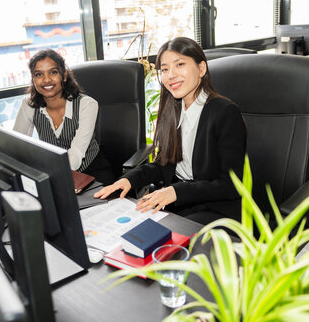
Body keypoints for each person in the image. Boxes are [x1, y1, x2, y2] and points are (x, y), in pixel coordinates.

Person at [94, 37, 246, 223]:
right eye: (164, 69)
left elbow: (231, 185)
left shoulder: (224, 112)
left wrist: (175, 191)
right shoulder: (173, 110)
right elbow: (163, 165)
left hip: (217, 210)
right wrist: (128, 180)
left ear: (201, 69)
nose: (170, 75)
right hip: (181, 203)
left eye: (179, 64)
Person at [13, 49, 114, 183]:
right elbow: (15, 147)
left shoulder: (87, 105)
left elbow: (76, 157)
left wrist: (46, 176)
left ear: (64, 76)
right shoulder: (29, 105)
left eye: (53, 72)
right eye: (39, 74)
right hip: (54, 174)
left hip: (92, 174)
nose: (46, 80)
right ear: (33, 79)